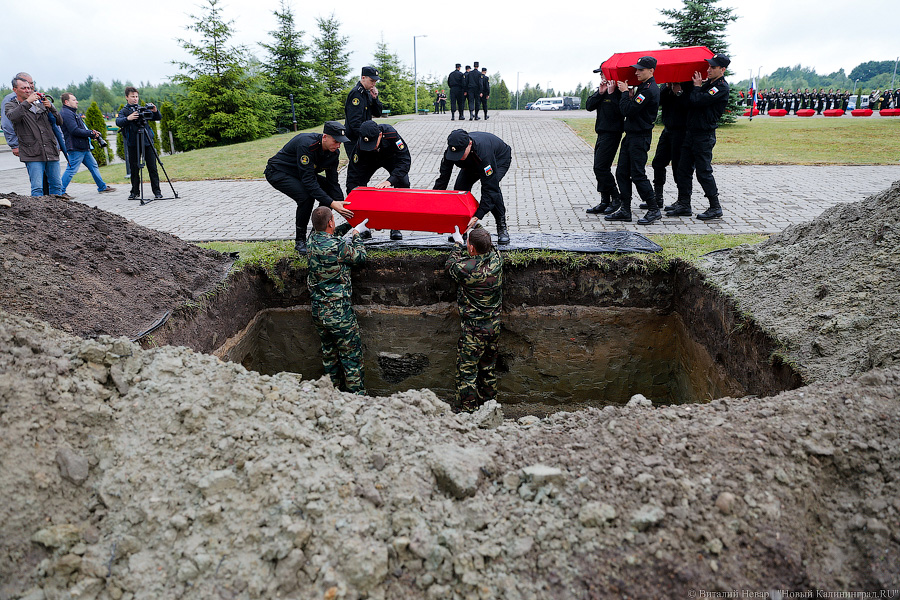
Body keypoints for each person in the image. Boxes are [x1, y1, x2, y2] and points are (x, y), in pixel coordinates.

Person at [307, 205, 369, 395]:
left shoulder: (311, 240)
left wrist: (349, 224)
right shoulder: (339, 246)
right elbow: (360, 257)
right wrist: (357, 234)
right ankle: (356, 398)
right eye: (333, 219)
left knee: (329, 356)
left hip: (318, 312)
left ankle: (331, 395)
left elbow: (331, 234)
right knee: (351, 357)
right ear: (330, 223)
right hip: (339, 313)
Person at [265, 121, 353, 254]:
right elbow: (309, 183)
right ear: (325, 137)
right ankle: (300, 241)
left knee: (331, 193)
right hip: (278, 172)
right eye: (335, 141)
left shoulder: (333, 153)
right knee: (306, 198)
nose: (338, 145)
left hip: (300, 173)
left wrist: (341, 203)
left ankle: (316, 235)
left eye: (340, 142)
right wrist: (332, 203)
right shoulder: (306, 145)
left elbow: (333, 183)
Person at [445, 225, 503, 412]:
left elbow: (450, 265)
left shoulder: (465, 268)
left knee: (467, 372)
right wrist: (475, 225)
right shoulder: (497, 259)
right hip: (494, 326)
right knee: (488, 369)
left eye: (468, 243)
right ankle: (489, 408)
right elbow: (488, 243)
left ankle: (467, 412)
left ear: (470, 248)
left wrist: (457, 243)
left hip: (474, 330)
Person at [667, 53, 731, 221]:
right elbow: (689, 102)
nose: (709, 70)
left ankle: (715, 207)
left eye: (713, 67)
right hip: (691, 133)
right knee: (683, 170)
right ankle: (684, 204)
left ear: (722, 70)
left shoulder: (720, 87)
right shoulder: (708, 84)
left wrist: (696, 87)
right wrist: (682, 91)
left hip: (704, 135)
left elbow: (698, 100)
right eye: (709, 66)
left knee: (703, 172)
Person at [605, 56, 660, 225]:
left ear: (651, 71)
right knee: (621, 172)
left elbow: (627, 110)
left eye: (641, 70)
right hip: (631, 136)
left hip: (640, 137)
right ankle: (625, 209)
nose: (637, 72)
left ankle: (653, 209)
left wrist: (624, 93)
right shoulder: (643, 87)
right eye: (637, 69)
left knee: (637, 174)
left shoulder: (648, 90)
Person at [434, 129, 511, 244]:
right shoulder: (451, 151)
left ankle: (502, 226)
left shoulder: (484, 153)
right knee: (460, 190)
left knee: (492, 189)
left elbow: (490, 190)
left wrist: (477, 215)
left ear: (469, 144)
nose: (458, 158)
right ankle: (462, 228)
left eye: (461, 153)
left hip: (498, 159)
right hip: (472, 163)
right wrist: (434, 203)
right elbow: (443, 178)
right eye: (455, 154)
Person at [346, 119, 411, 241]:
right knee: (355, 186)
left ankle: (395, 225)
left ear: (380, 135)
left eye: (373, 143)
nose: (371, 146)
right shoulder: (360, 145)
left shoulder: (391, 134)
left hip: (390, 158)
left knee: (403, 182)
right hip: (368, 160)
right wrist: (353, 195)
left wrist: (390, 181)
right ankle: (363, 227)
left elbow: (405, 160)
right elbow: (353, 173)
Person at [4, 74, 65, 198]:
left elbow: (59, 121)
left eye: (29, 88)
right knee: (37, 188)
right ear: (15, 89)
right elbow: (13, 117)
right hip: (32, 152)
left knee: (57, 186)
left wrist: (51, 107)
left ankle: (57, 209)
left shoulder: (40, 103)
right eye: (23, 88)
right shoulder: (11, 105)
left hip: (50, 150)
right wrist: (27, 102)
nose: (28, 90)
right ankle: (40, 211)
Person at [644, 81, 689, 212]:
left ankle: (683, 201)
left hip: (682, 131)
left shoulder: (689, 85)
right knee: (658, 163)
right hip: (668, 129)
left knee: (679, 167)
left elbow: (691, 105)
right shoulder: (667, 85)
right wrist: (667, 88)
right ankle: (658, 197)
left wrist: (679, 93)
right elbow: (658, 101)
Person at [59, 93, 116, 196]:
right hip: (76, 147)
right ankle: (60, 192)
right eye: (74, 100)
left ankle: (102, 187)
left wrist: (91, 134)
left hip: (82, 146)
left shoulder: (71, 112)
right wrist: (90, 133)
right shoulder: (67, 113)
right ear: (66, 102)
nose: (77, 102)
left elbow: (80, 129)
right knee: (71, 169)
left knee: (93, 166)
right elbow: (74, 130)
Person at [584, 74, 624, 216]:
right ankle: (605, 200)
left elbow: (621, 111)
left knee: (600, 167)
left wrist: (612, 94)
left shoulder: (618, 91)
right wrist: (600, 93)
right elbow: (589, 106)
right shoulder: (602, 89)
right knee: (599, 168)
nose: (601, 77)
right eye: (601, 75)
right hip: (601, 132)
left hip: (613, 133)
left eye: (603, 74)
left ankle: (616, 197)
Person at [116, 86, 162, 200]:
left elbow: (157, 117)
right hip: (133, 143)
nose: (135, 99)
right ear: (127, 97)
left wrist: (155, 111)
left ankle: (157, 191)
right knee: (134, 168)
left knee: (152, 167)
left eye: (136, 96)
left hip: (147, 142)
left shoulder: (143, 109)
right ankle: (135, 192)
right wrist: (129, 118)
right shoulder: (124, 111)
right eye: (132, 96)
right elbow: (118, 121)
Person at [344, 66, 383, 153]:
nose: (374, 84)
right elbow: (354, 121)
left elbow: (378, 113)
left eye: (375, 81)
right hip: (355, 139)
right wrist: (366, 137)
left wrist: (375, 98)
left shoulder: (367, 93)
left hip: (364, 136)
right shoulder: (356, 93)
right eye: (372, 81)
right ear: (363, 78)